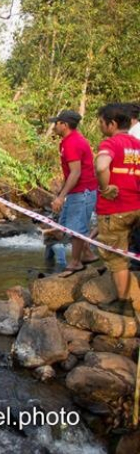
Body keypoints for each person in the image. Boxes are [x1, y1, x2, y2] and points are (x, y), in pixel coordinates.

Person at [94, 103, 140, 307]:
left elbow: (102, 166)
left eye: (102, 123)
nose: (100, 126)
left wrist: (105, 188)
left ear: (112, 124)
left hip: (115, 209)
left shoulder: (110, 143)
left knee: (116, 258)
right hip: (136, 205)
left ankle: (124, 304)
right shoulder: (137, 143)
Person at [49, 110, 99, 275]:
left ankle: (76, 262)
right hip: (77, 191)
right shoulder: (67, 141)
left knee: (76, 228)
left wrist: (61, 197)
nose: (54, 125)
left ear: (65, 125)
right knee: (67, 226)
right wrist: (61, 194)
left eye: (57, 123)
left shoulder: (72, 143)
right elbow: (69, 173)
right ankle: (87, 254)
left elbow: (76, 172)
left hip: (83, 192)